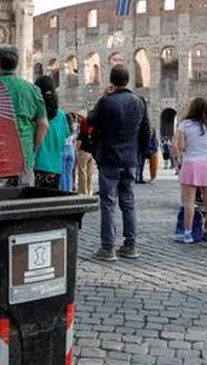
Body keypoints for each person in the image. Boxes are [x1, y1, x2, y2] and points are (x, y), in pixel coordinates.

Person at [88, 64, 148, 260]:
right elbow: (145, 131)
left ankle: (108, 248)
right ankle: (130, 245)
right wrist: (140, 155)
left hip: (109, 158)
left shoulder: (107, 102)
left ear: (112, 81)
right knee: (129, 202)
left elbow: (91, 120)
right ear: (127, 79)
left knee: (108, 203)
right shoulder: (139, 101)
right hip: (130, 158)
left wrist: (104, 96)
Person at [0, 45, 47, 185]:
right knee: (24, 204)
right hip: (24, 156)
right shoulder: (33, 90)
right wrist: (33, 148)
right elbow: (43, 125)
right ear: (17, 64)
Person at [173, 97, 207, 244]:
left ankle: (187, 233)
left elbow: (180, 146)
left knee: (189, 202)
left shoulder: (184, 124)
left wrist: (189, 145)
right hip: (206, 162)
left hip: (190, 163)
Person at [33, 75, 70, 189]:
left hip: (37, 164)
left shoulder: (35, 114)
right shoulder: (62, 115)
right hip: (56, 168)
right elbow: (65, 140)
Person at [75, 115, 97, 195]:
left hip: (84, 151)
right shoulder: (95, 130)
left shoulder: (83, 130)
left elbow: (79, 142)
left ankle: (83, 191)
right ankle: (90, 190)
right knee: (90, 173)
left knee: (82, 172)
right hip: (93, 153)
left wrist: (77, 150)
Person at [60, 113, 77, 192]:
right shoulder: (74, 128)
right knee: (69, 172)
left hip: (63, 148)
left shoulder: (63, 127)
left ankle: (63, 190)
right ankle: (69, 189)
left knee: (62, 172)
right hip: (71, 149)